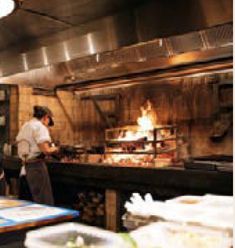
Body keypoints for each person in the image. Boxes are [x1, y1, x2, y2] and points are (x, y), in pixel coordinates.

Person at [16, 105, 59, 205]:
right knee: (44, 202)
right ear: (46, 117)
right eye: (49, 121)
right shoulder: (40, 127)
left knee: (27, 202)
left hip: (25, 167)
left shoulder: (26, 125)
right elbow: (46, 150)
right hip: (36, 168)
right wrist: (57, 149)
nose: (48, 125)